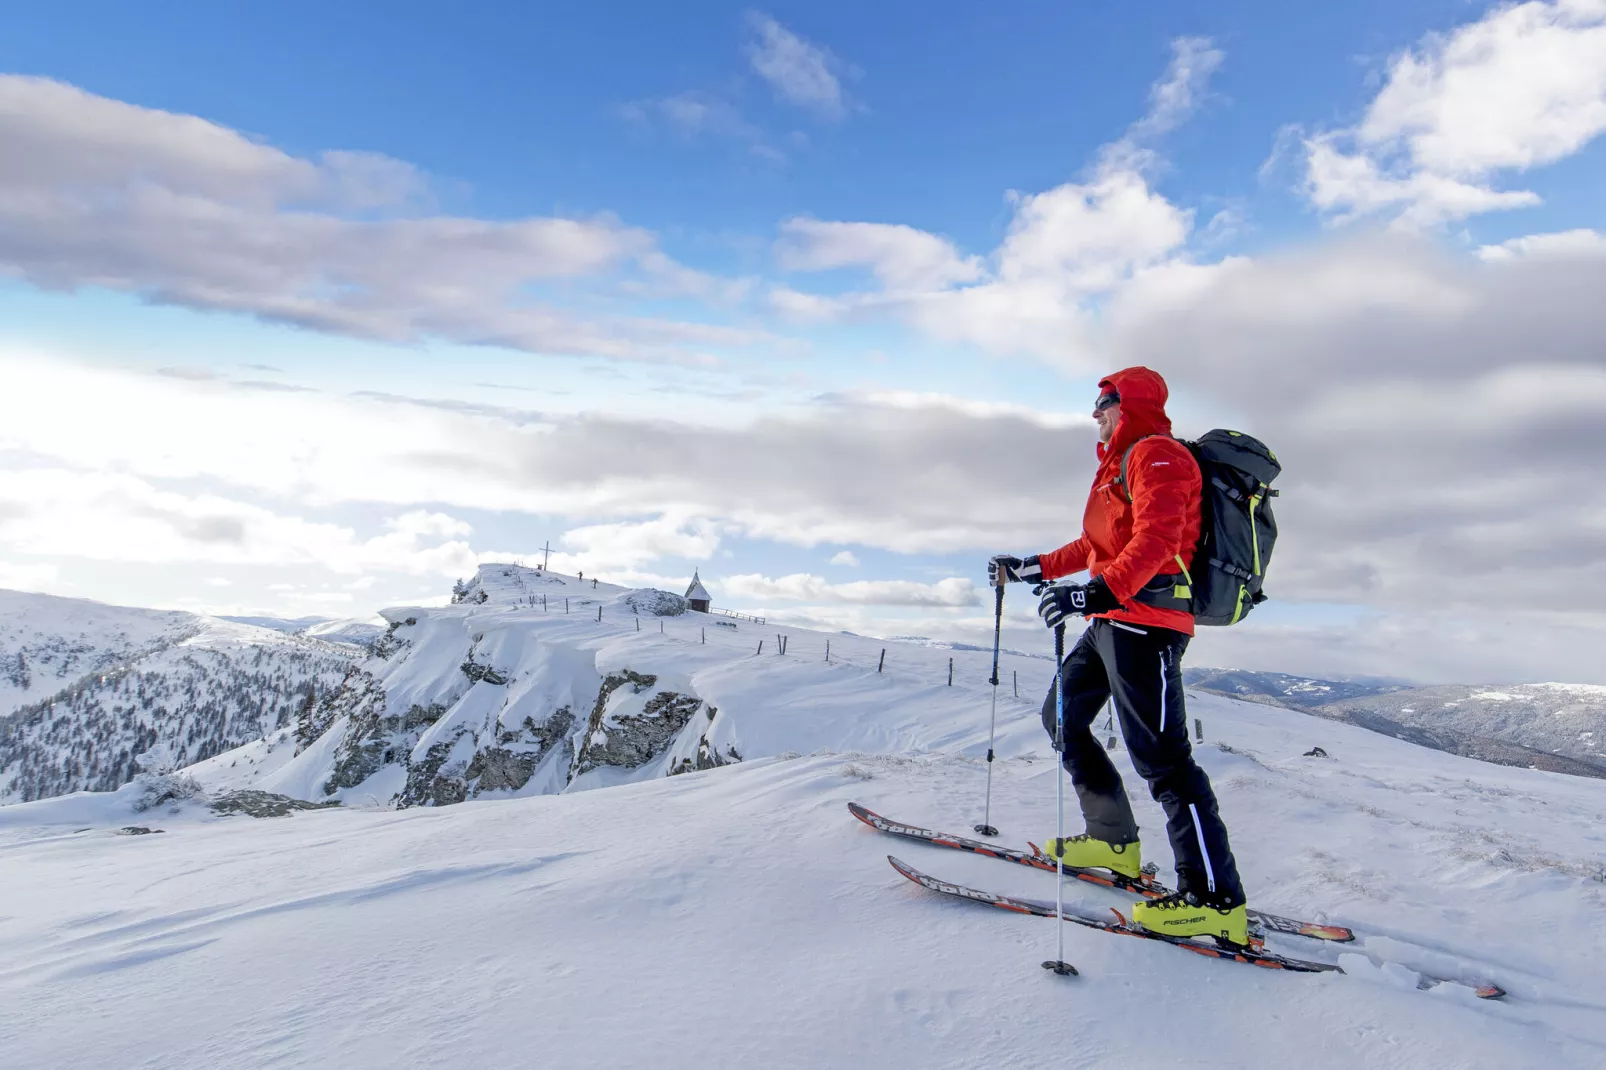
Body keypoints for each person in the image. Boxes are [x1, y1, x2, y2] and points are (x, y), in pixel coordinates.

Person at [988, 366, 1249, 946]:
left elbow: (1155, 541)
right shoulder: (1119, 467)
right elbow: (1096, 546)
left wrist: (1095, 591)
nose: (1095, 415)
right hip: (1112, 621)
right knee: (1063, 717)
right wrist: (1028, 567)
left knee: (1164, 762)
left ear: (1128, 406)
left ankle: (1216, 900)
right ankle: (1113, 841)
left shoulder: (1159, 455)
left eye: (1104, 404)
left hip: (1148, 625)